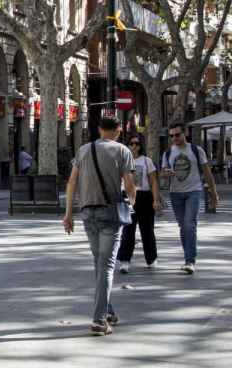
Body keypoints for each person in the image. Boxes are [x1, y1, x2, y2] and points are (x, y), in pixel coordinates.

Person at [62, 116, 136, 336]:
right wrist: (132, 202)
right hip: (110, 213)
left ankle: (108, 311)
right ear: (119, 130)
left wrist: (68, 214)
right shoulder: (123, 151)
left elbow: (72, 182)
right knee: (106, 266)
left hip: (87, 213)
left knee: (100, 264)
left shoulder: (84, 150)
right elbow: (130, 184)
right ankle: (98, 320)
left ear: (99, 129)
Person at [161, 122, 221, 274]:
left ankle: (190, 261)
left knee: (189, 224)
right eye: (172, 135)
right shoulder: (168, 153)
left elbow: (207, 173)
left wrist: (213, 193)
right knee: (183, 227)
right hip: (175, 193)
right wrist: (165, 174)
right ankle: (188, 257)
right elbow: (163, 173)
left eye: (177, 134)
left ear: (185, 133)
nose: (174, 138)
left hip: (194, 191)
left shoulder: (196, 150)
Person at [117, 137, 162, 273]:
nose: (134, 146)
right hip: (127, 196)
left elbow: (153, 181)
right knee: (127, 230)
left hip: (144, 196)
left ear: (140, 146)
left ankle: (151, 258)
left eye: (137, 144)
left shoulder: (147, 161)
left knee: (147, 230)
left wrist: (155, 199)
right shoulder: (122, 161)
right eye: (131, 143)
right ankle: (125, 260)